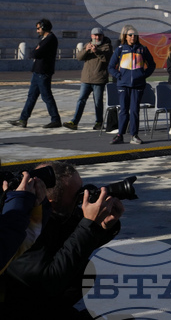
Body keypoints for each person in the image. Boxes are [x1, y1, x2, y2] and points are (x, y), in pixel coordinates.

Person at [1, 162, 123, 318]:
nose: (82, 198)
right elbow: (49, 280)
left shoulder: (59, 215)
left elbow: (75, 242)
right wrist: (89, 225)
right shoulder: (21, 223)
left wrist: (102, 226)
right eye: (77, 196)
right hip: (20, 307)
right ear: (51, 205)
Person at [107, 24, 155, 145]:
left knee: (134, 110)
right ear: (125, 36)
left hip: (138, 85)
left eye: (135, 35)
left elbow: (152, 64)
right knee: (123, 110)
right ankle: (120, 135)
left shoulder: (143, 49)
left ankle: (134, 135)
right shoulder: (120, 49)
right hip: (123, 85)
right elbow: (111, 67)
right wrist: (119, 76)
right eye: (130, 35)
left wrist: (143, 75)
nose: (133, 37)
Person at [9, 19, 61, 129]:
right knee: (31, 97)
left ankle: (56, 119)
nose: (37, 31)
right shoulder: (45, 39)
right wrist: (36, 50)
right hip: (37, 72)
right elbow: (35, 52)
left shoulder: (50, 39)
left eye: (38, 28)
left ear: (44, 27)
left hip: (43, 72)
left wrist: (36, 50)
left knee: (46, 97)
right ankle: (23, 119)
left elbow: (36, 53)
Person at [65, 27, 112, 130]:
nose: (97, 37)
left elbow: (106, 59)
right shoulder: (88, 44)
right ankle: (74, 122)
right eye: (95, 35)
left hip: (99, 79)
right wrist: (86, 50)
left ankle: (99, 122)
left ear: (102, 36)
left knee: (98, 102)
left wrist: (97, 51)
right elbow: (79, 57)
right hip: (86, 79)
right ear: (91, 36)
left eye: (99, 35)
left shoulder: (107, 46)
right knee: (81, 100)